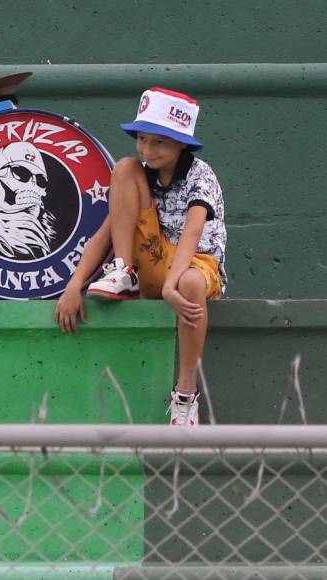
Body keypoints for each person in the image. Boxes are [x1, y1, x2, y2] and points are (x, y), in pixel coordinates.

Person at [53, 87, 226, 426]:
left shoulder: (200, 174)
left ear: (182, 144)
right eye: (143, 139)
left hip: (193, 264)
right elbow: (104, 235)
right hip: (151, 263)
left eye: (159, 142)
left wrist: (171, 285)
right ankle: (123, 272)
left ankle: (186, 393)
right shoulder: (139, 174)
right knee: (124, 167)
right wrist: (74, 285)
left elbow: (192, 232)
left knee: (190, 283)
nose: (147, 149)